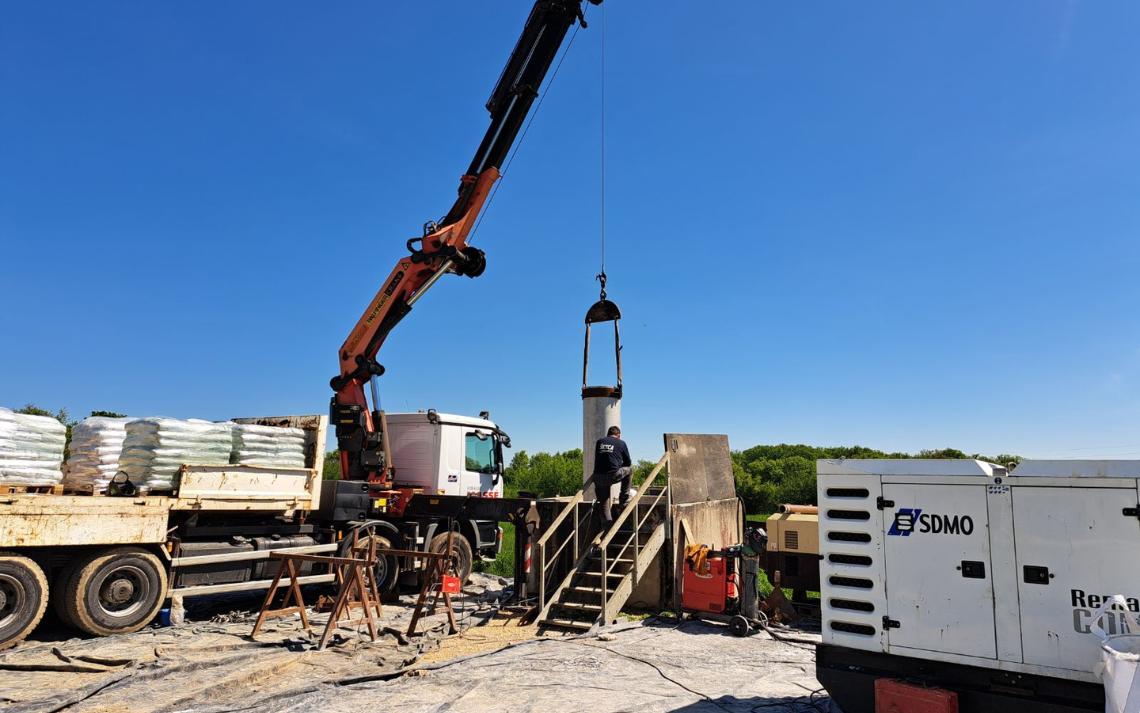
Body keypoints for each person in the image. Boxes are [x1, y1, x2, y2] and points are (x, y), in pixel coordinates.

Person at [593, 425, 632, 526]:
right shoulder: (621, 443)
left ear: (608, 434)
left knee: (604, 504)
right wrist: (619, 465)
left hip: (598, 477)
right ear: (618, 435)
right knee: (630, 470)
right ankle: (623, 500)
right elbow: (628, 462)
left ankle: (607, 530)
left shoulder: (599, 441)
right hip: (613, 475)